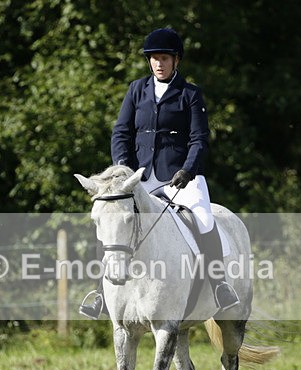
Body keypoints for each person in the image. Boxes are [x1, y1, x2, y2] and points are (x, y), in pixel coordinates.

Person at [79, 27, 240, 319]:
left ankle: (219, 284)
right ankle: (99, 293)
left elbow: (199, 139)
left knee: (204, 218)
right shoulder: (136, 90)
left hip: (181, 177)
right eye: (154, 58)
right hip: (140, 178)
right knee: (110, 220)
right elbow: (121, 132)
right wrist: (122, 170)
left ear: (176, 60)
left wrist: (188, 170)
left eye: (164, 58)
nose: (158, 63)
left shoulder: (190, 94)